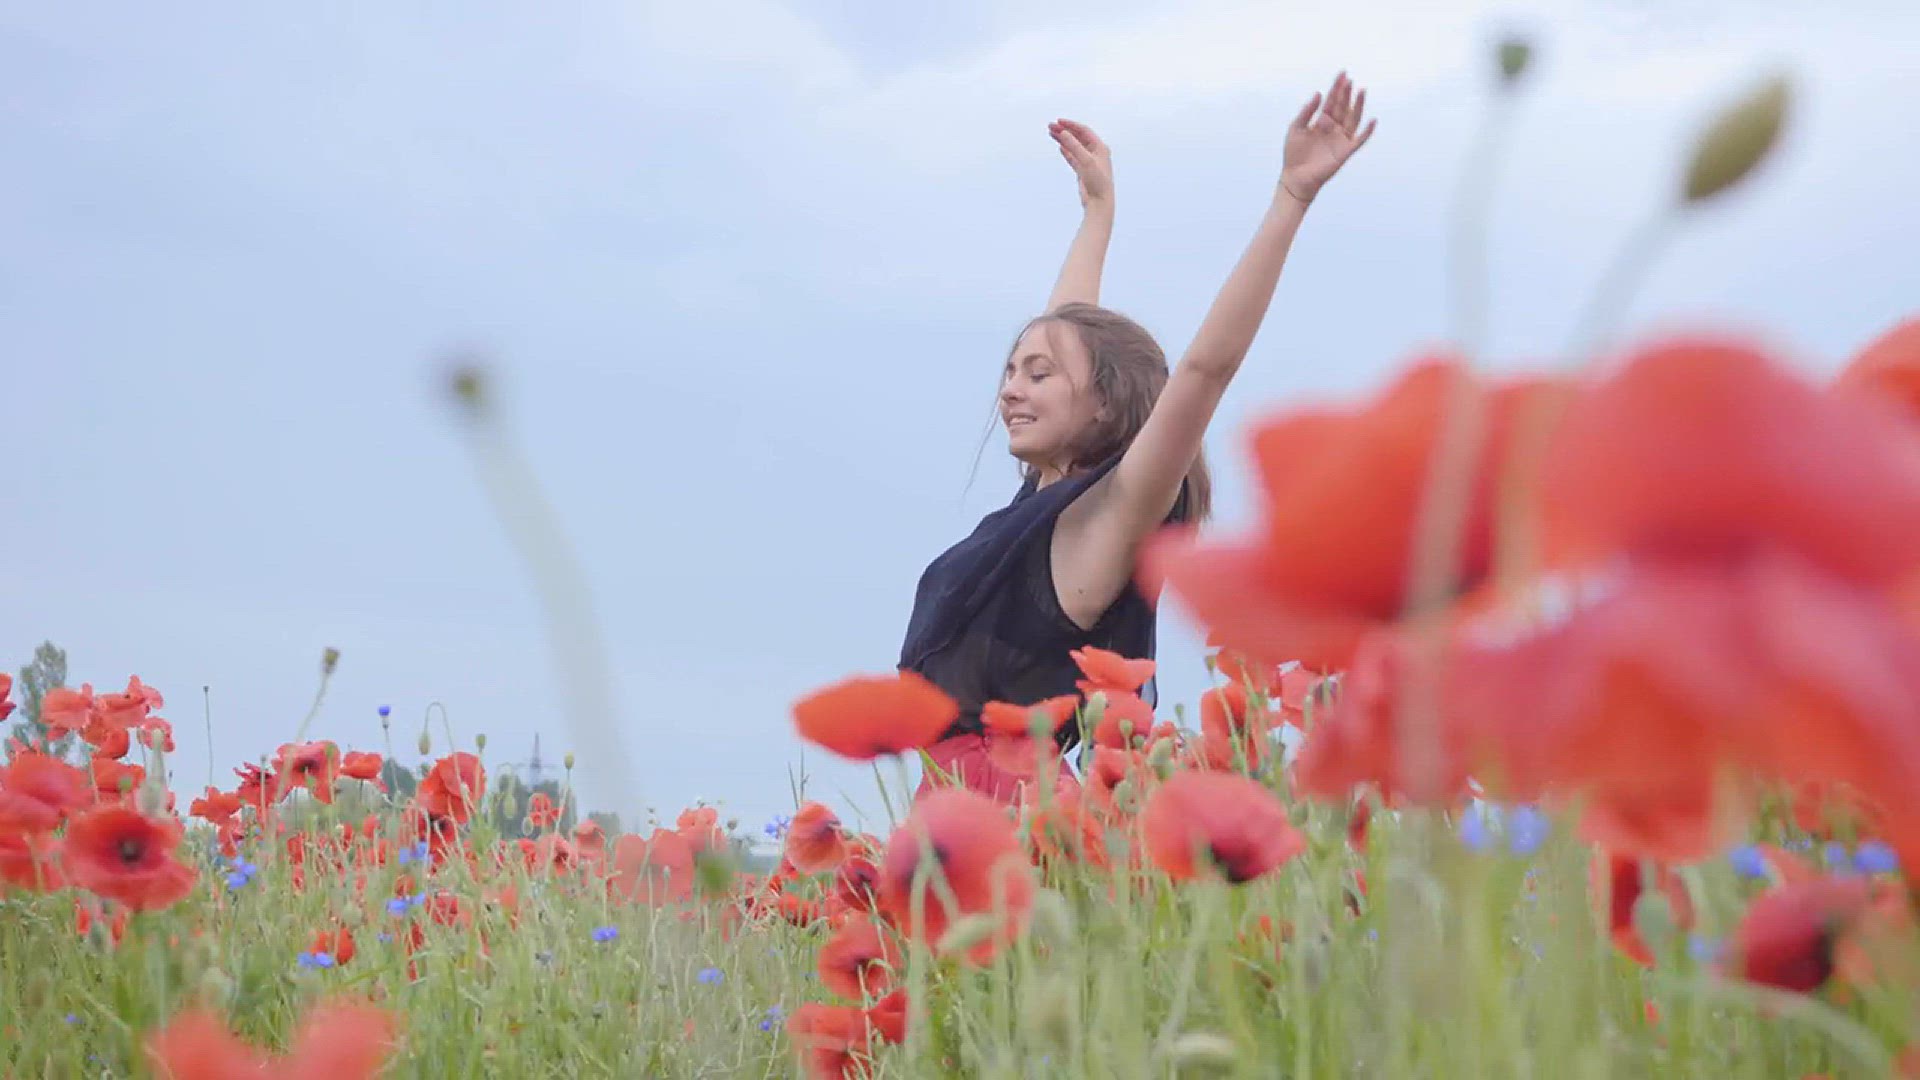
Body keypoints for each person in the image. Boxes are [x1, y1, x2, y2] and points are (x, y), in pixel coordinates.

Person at [899, 72, 1377, 804]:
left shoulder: (1107, 520)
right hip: (957, 804)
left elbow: (1205, 370)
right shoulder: (1045, 507)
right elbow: (1069, 328)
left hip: (1004, 812)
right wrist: (1097, 212)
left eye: (1037, 375)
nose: (1010, 389)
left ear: (1103, 409)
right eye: (1009, 370)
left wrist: (1291, 198)